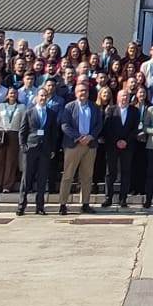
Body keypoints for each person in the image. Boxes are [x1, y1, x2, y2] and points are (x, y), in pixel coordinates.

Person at [56, 81, 101, 215]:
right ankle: (63, 204)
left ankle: (85, 203)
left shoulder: (94, 107)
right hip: (73, 144)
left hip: (90, 145)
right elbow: (65, 125)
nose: (83, 93)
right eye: (80, 91)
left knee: (87, 176)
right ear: (76, 93)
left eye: (85, 91)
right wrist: (79, 137)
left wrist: (91, 136)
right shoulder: (69, 107)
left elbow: (99, 124)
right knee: (68, 175)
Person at [18, 82, 56, 216]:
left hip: (45, 149)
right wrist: (23, 146)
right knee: (26, 177)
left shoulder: (52, 113)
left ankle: (40, 206)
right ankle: (21, 205)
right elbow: (22, 131)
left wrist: (52, 149)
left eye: (45, 96)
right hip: (31, 148)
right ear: (36, 97)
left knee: (42, 178)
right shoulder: (29, 112)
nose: (43, 98)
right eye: (41, 96)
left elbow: (53, 133)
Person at [0, 85, 26, 193]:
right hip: (1, 134)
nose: (12, 95)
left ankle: (7, 185)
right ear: (7, 95)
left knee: (11, 161)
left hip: (14, 134)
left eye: (14, 93)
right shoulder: (1, 106)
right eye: (11, 93)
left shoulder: (21, 107)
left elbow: (23, 123)